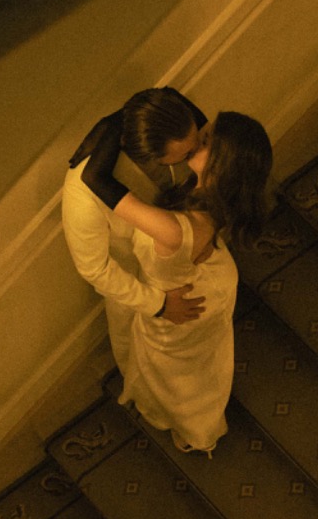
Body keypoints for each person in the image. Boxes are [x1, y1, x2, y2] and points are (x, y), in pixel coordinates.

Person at [79, 109, 273, 454]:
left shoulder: (174, 231)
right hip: (205, 281)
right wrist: (148, 108)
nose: (196, 136)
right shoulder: (214, 193)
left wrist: (118, 119)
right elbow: (189, 115)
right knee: (195, 363)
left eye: (206, 139)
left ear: (220, 165)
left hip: (182, 306)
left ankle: (195, 427)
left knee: (178, 377)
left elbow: (94, 178)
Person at [63, 87, 209, 376]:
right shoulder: (83, 194)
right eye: (187, 154)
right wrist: (159, 305)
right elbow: (94, 269)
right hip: (131, 277)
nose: (198, 155)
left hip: (176, 254)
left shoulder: (173, 131)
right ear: (153, 155)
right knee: (136, 347)